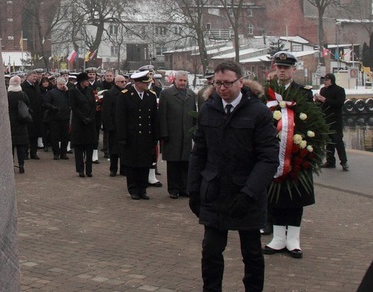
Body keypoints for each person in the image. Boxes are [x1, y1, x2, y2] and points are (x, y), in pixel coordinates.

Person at [188, 60, 279, 292]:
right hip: (215, 192)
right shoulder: (209, 109)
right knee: (210, 252)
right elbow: (199, 152)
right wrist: (194, 189)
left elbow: (268, 158)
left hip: (246, 194)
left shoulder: (258, 112)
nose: (222, 88)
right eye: (217, 83)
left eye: (227, 83)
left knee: (251, 253)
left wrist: (249, 193)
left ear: (241, 81)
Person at [264, 51, 316, 259]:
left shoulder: (303, 93)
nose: (282, 71)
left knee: (296, 195)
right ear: (275, 69)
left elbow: (311, 122)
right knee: (275, 195)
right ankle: (278, 237)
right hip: (273, 154)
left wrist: (302, 147)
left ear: (294, 69)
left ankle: (293, 239)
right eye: (279, 67)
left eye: (286, 68)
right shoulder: (268, 92)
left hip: (297, 153)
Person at [115, 70, 160, 200]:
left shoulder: (150, 96)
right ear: (138, 83)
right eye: (145, 83)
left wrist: (156, 136)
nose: (148, 85)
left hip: (146, 136)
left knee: (145, 164)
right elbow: (121, 118)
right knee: (132, 164)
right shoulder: (125, 95)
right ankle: (133, 189)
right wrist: (122, 137)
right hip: (132, 136)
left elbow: (154, 118)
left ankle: (143, 188)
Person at [158, 71, 196, 199]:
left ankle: (184, 188)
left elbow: (194, 114)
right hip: (172, 134)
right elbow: (162, 115)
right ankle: (173, 189)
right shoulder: (166, 94)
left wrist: (195, 131)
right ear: (175, 80)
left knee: (185, 163)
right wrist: (164, 133)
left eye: (184, 81)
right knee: (173, 163)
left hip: (187, 134)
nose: (182, 83)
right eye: (180, 80)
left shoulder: (191, 94)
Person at [314, 73, 348, 171]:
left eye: (326, 80)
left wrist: (325, 99)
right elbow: (321, 105)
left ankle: (344, 162)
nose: (324, 82)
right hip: (326, 119)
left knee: (338, 141)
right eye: (324, 80)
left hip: (336, 120)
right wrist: (317, 100)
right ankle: (330, 161)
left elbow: (339, 103)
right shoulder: (323, 90)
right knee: (328, 142)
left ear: (331, 80)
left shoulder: (340, 90)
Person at [68, 72, 97, 178]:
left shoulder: (90, 90)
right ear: (81, 82)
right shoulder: (73, 91)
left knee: (89, 146)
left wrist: (91, 117)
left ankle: (89, 170)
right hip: (79, 122)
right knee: (79, 148)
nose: (88, 82)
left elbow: (94, 104)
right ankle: (80, 169)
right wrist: (83, 118)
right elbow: (74, 107)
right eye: (86, 81)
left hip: (90, 122)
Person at [101, 73, 127, 176]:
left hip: (124, 126)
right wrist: (109, 126)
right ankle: (113, 168)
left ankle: (124, 169)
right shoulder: (109, 94)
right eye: (122, 82)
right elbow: (106, 112)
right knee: (114, 150)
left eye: (125, 81)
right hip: (114, 126)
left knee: (124, 149)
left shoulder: (127, 93)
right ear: (116, 83)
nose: (124, 83)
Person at [7, 76, 30, 174]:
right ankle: (21, 165)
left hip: (10, 122)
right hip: (21, 122)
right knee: (21, 146)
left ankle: (10, 165)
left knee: (10, 146)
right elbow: (28, 104)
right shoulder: (23, 94)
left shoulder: (7, 95)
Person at [42, 77, 70, 160]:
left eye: (63, 84)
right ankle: (56, 153)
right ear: (56, 84)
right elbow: (46, 102)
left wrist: (67, 91)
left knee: (65, 136)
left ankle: (63, 152)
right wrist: (52, 107)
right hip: (54, 117)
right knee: (54, 136)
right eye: (60, 84)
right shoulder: (51, 93)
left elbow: (72, 100)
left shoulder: (67, 93)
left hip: (65, 117)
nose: (62, 86)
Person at [21, 70, 43, 160]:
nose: (35, 78)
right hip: (27, 114)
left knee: (35, 135)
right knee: (27, 135)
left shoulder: (37, 86)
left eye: (36, 76)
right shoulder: (23, 87)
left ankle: (34, 153)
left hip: (37, 114)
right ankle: (25, 153)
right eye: (33, 76)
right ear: (28, 77)